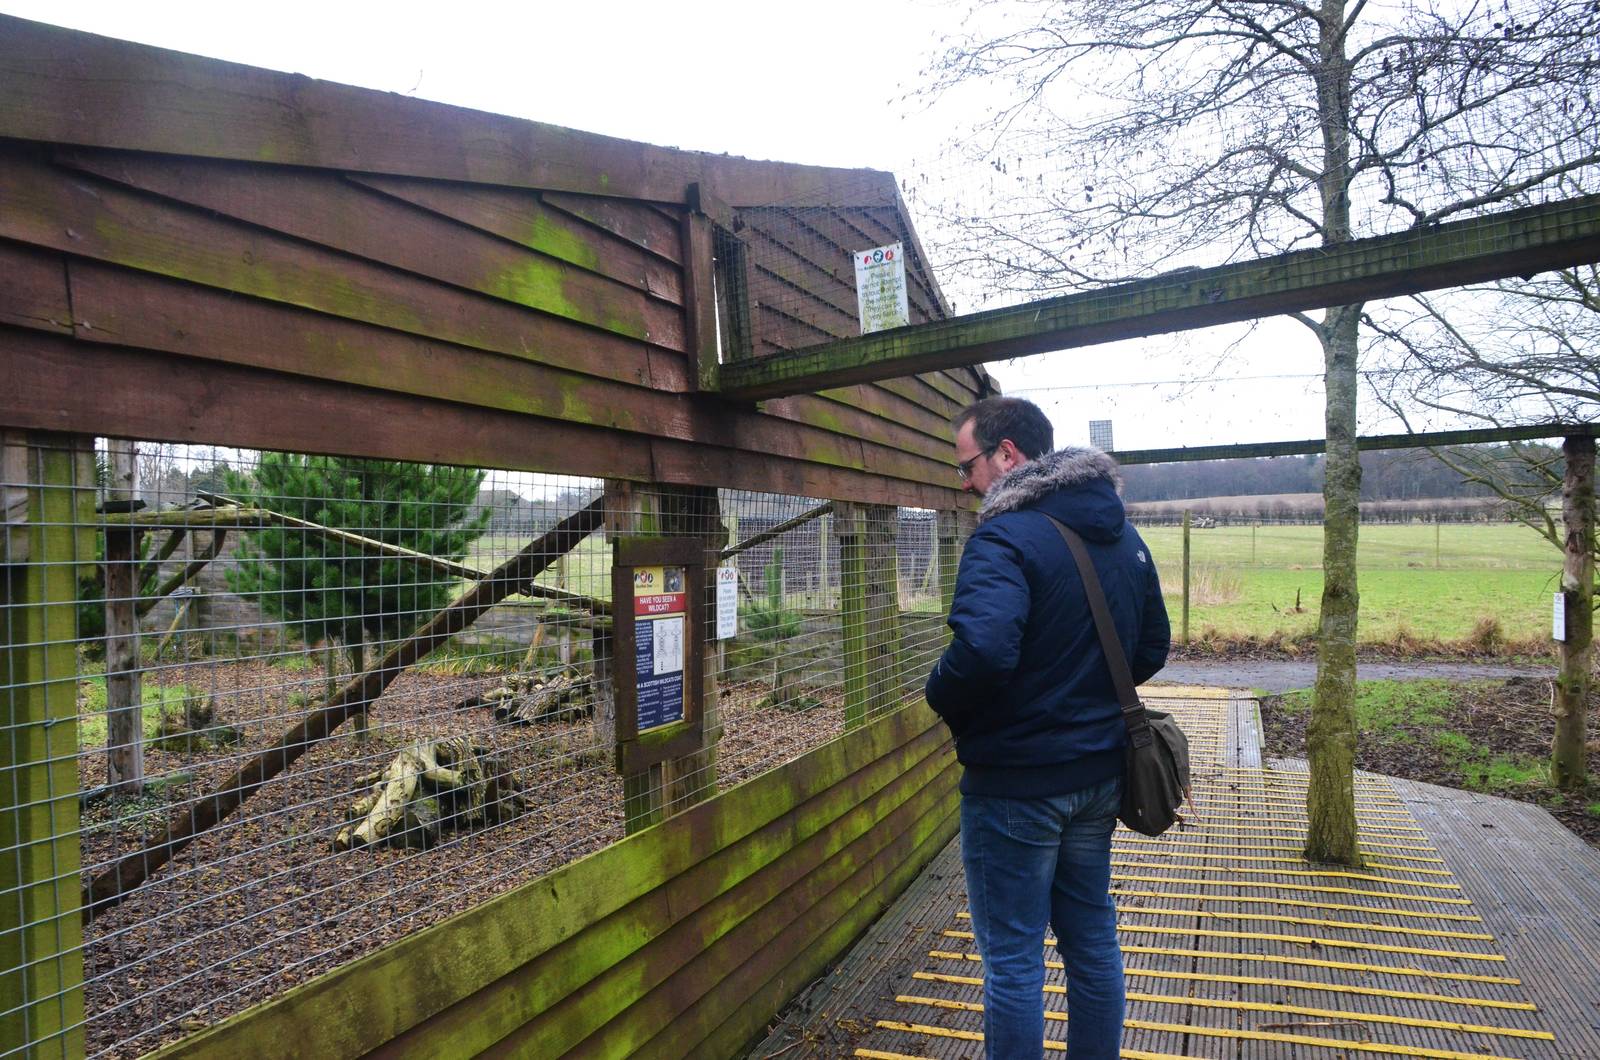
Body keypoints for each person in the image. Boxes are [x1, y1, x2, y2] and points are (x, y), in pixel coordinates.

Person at [925, 396, 1170, 1059]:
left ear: (1006, 455)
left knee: (1013, 960)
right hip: (1098, 778)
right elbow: (1151, 648)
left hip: (1015, 788)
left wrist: (938, 694)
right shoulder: (1120, 532)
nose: (966, 482)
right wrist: (1084, 699)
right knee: (1091, 941)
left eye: (967, 465)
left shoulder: (1003, 536)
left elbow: (981, 652)